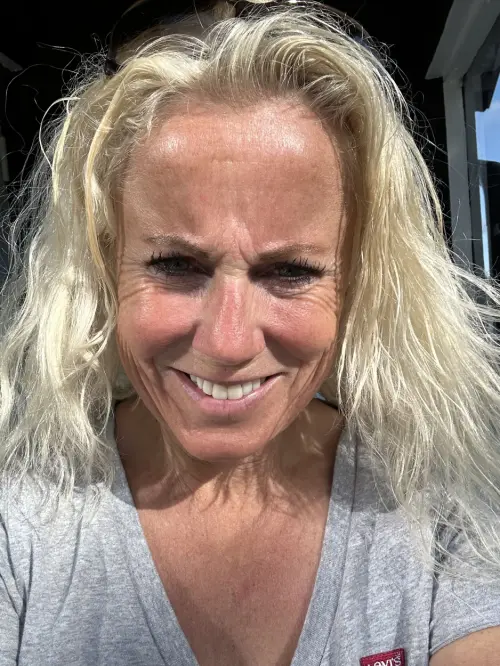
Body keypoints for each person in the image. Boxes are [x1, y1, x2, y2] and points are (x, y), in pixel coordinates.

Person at [2, 0, 500, 664]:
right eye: (175, 265)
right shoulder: (21, 524)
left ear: (357, 282)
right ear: (104, 264)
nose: (229, 342)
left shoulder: (438, 513)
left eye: (290, 271)